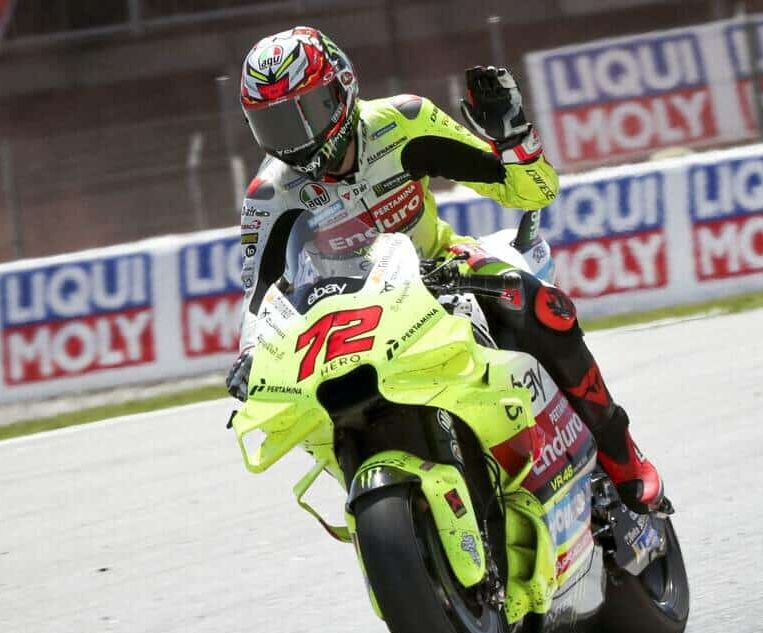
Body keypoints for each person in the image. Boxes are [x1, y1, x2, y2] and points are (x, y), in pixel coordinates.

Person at [225, 26, 665, 513]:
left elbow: (531, 192)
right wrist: (250, 354)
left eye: (304, 114)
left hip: (440, 272)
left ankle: (621, 453)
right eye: (275, 125)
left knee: (538, 304)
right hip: (346, 321)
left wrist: (513, 138)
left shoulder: (404, 122)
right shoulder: (269, 195)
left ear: (340, 88)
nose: (296, 139)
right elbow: (259, 296)